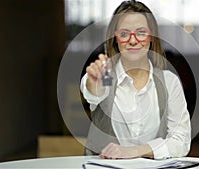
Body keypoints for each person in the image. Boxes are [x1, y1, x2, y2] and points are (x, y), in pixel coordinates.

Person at [80, 0, 191, 160]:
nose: (132, 40)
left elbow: (181, 141)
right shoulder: (105, 75)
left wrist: (135, 151)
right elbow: (93, 92)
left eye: (141, 32)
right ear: (115, 39)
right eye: (124, 34)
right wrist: (93, 83)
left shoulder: (169, 82)